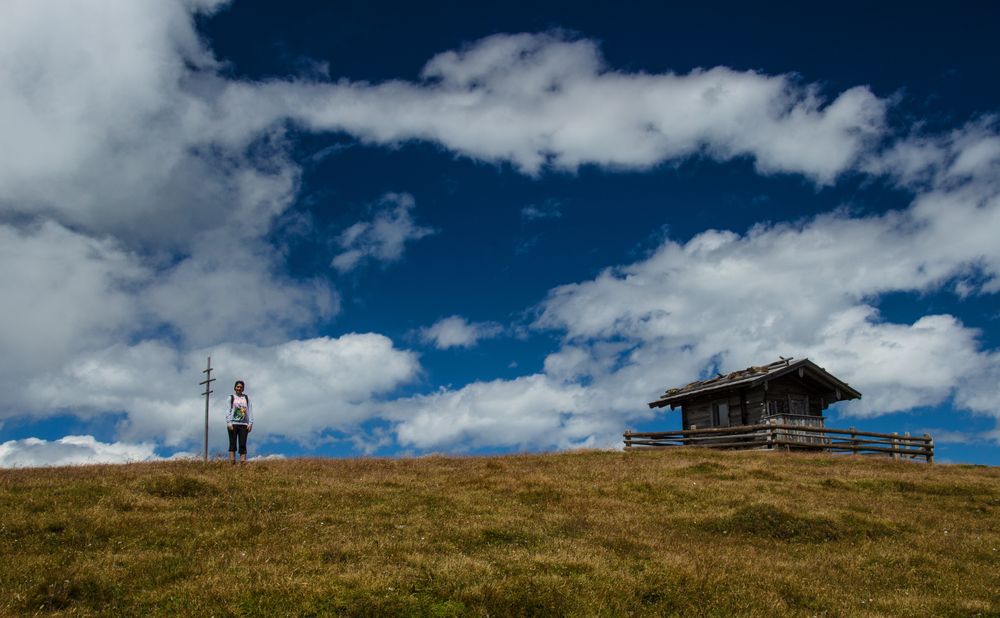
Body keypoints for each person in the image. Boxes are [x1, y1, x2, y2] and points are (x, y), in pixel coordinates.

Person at [226, 380, 254, 464]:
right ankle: (232, 461)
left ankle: (243, 462)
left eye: (241, 387)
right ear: (235, 387)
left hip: (244, 424)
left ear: (243, 388)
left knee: (242, 443)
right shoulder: (231, 398)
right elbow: (228, 410)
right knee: (232, 443)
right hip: (233, 423)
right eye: (238, 387)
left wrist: (250, 423)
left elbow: (250, 411)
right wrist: (228, 422)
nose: (239, 388)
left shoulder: (246, 398)